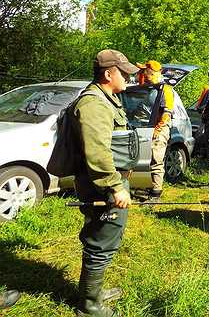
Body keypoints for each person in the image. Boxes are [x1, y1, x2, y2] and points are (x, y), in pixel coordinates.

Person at [73, 49, 138, 316]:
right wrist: (115, 186)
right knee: (101, 242)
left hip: (112, 181)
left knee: (106, 238)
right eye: (123, 73)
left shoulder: (107, 98)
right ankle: (89, 306)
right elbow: (97, 151)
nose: (128, 77)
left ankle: (94, 293)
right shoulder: (94, 103)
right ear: (108, 73)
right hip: (102, 186)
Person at [136, 60, 174, 202]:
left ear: (151, 72)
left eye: (144, 71)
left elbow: (167, 112)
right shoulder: (149, 87)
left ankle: (156, 193)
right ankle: (147, 186)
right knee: (145, 158)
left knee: (156, 159)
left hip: (160, 128)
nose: (143, 74)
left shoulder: (165, 89)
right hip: (146, 127)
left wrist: (158, 129)